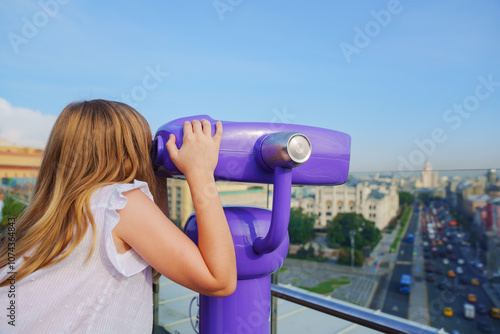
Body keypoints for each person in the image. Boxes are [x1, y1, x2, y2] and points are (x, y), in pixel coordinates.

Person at [0, 100, 237, 333]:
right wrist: (201, 172)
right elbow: (219, 281)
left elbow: (157, 251)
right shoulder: (119, 203)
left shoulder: (49, 215)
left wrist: (160, 172)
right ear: (132, 151)